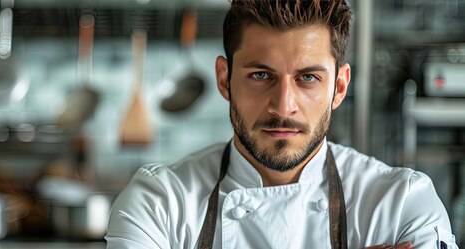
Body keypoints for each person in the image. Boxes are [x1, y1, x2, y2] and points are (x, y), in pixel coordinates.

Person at [105, 0, 457, 248]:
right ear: (225, 79)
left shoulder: (401, 202)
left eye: (307, 78)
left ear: (339, 87)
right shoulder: (160, 202)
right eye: (261, 75)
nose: (283, 106)